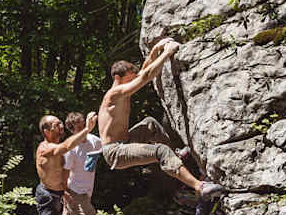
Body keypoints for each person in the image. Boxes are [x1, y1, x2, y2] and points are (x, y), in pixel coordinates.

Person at [96, 38, 225, 199]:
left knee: (150, 123)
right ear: (118, 77)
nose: (133, 80)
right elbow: (145, 77)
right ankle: (200, 186)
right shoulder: (113, 94)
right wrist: (167, 53)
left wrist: (155, 49)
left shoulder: (121, 92)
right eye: (130, 77)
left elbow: (143, 73)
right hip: (115, 151)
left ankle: (174, 156)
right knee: (160, 150)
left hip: (125, 139)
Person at [28, 111, 94, 215]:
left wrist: (64, 193)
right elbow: (65, 147)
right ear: (46, 131)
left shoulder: (54, 145)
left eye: (60, 123)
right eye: (56, 124)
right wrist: (87, 130)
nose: (61, 125)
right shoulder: (46, 149)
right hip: (48, 195)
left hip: (55, 193)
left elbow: (60, 174)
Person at [59, 111, 105, 215]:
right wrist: (65, 204)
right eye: (78, 128)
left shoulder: (96, 141)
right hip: (74, 194)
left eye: (83, 126)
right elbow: (63, 179)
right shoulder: (71, 148)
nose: (82, 131)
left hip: (87, 193)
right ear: (72, 130)